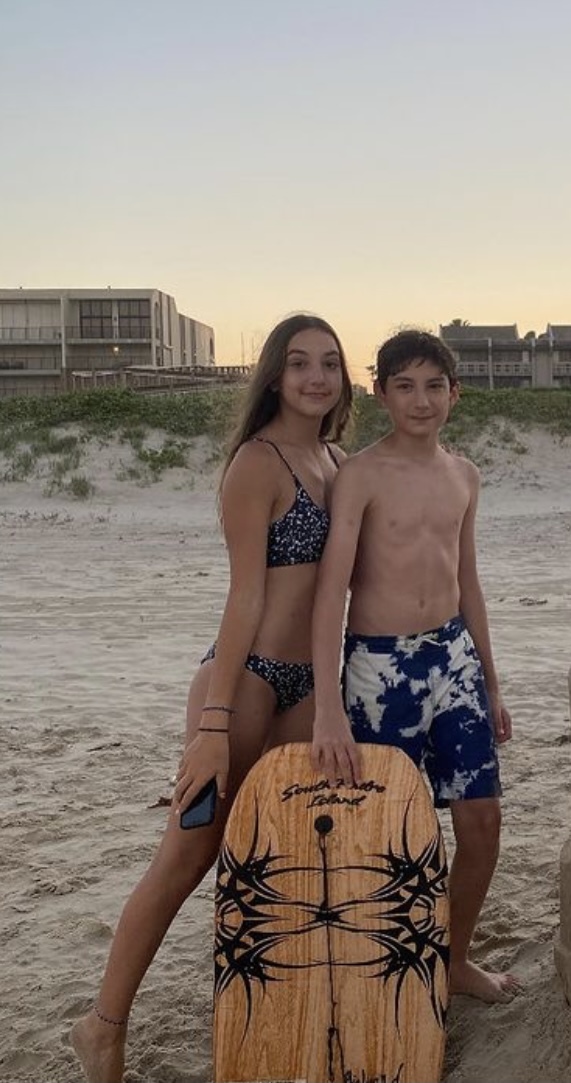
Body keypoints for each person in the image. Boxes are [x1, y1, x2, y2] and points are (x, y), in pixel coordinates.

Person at [70, 314, 353, 1082]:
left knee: (284, 854)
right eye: (300, 363)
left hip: (306, 689)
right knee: (188, 851)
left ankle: (272, 1015)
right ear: (275, 375)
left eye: (329, 363)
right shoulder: (257, 465)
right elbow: (244, 598)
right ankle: (101, 1025)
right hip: (243, 681)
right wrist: (213, 726)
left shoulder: (337, 461)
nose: (316, 377)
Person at [311, 328, 519, 1005]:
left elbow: (469, 580)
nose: (421, 400)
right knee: (386, 830)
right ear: (381, 393)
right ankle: (384, 970)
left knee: (482, 821)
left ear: (455, 393)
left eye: (434, 386)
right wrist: (328, 706)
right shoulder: (361, 475)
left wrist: (491, 683)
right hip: (380, 667)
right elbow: (331, 592)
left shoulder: (464, 475)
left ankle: (452, 959)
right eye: (405, 386)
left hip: (454, 658)